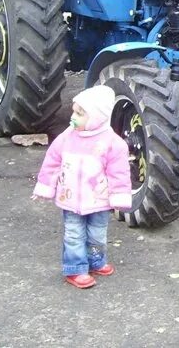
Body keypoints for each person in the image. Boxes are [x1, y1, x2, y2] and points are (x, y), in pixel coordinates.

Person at [32, 85, 132, 289]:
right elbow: (52, 162)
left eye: (80, 113)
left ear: (97, 117)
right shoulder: (66, 138)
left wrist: (119, 197)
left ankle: (96, 261)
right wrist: (45, 187)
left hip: (99, 201)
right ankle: (75, 268)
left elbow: (119, 173)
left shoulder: (113, 144)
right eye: (74, 111)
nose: (74, 117)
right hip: (71, 200)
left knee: (97, 234)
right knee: (74, 234)